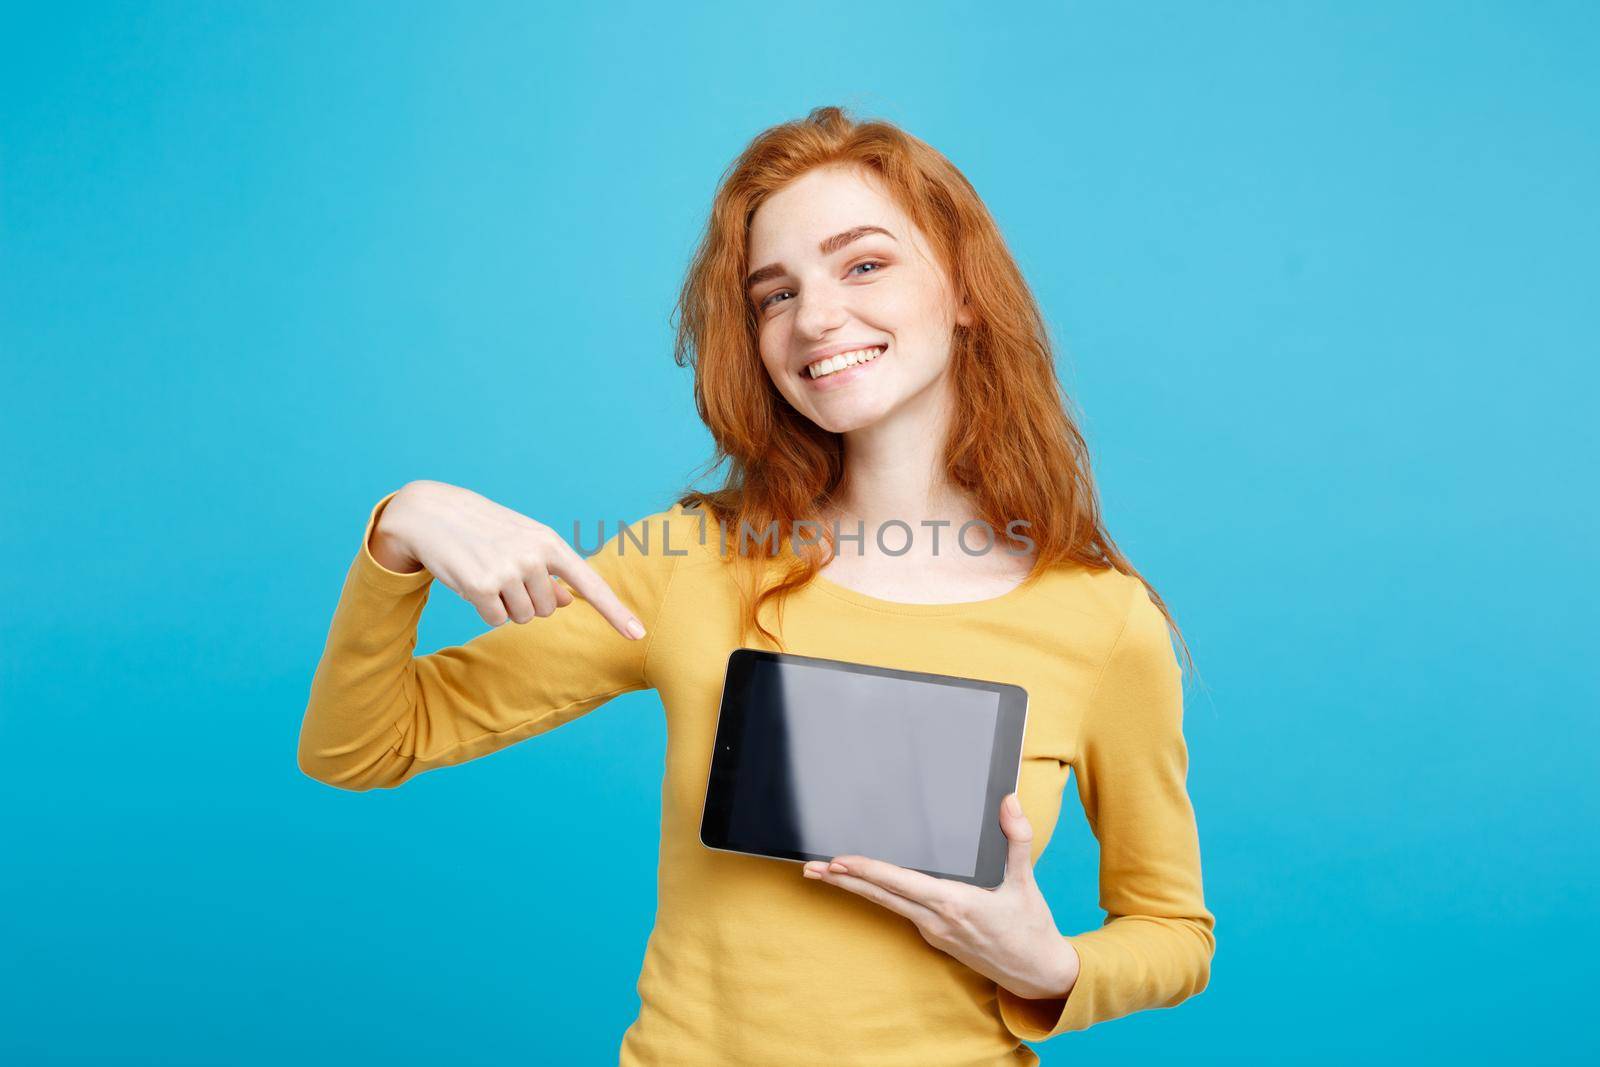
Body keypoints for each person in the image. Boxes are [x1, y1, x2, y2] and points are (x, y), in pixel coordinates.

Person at [298, 105, 1215, 1066]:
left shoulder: (1102, 620)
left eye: (864, 264)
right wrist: (399, 530)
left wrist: (1049, 966)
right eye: (774, 294)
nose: (815, 317)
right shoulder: (688, 560)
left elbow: (1173, 929)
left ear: (964, 292)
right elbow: (360, 747)